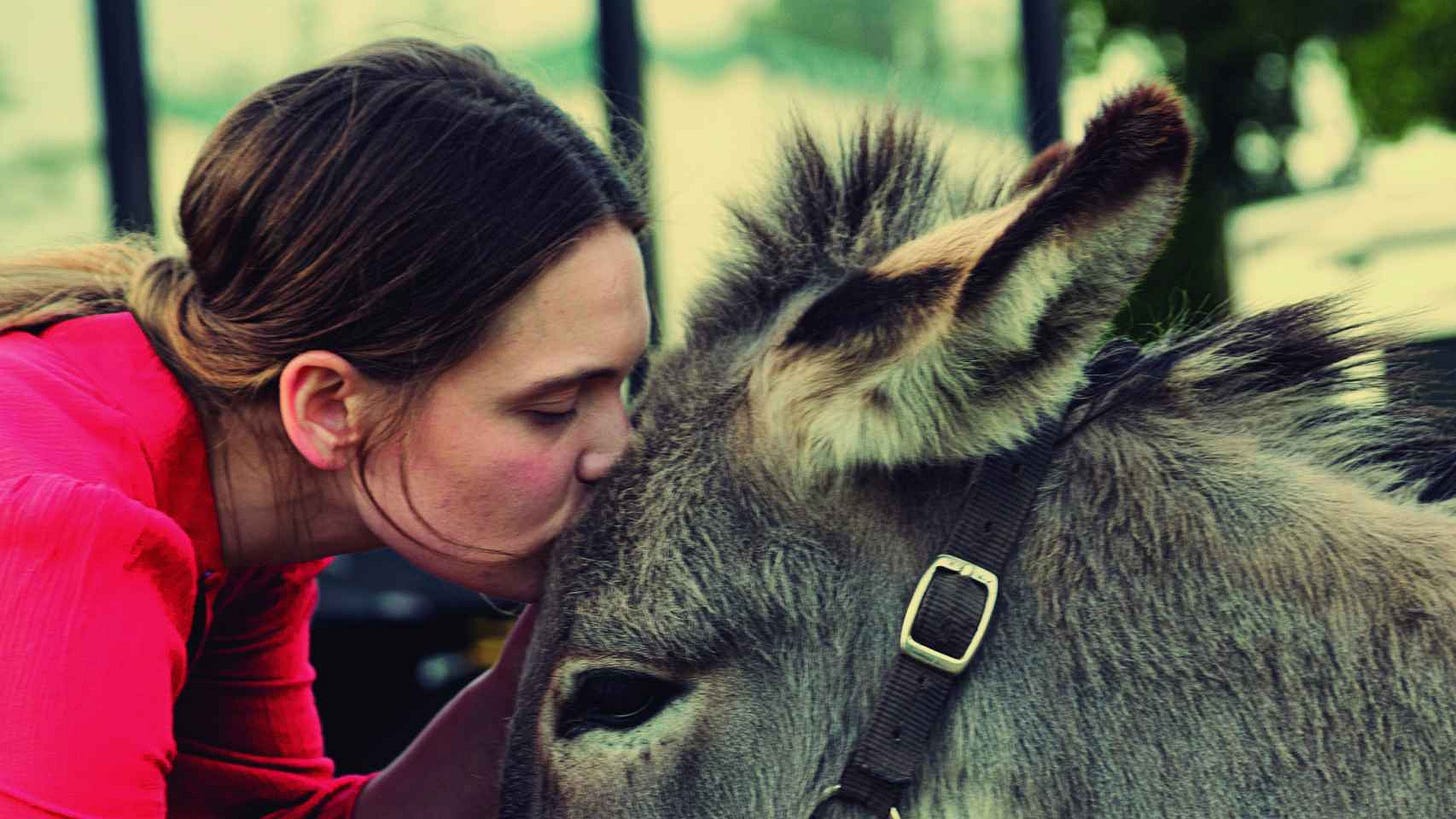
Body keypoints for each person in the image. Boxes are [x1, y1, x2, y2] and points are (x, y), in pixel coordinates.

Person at [0, 38, 650, 817]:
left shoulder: (236, 501)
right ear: (329, 407)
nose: (620, 453)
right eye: (551, 407)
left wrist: (533, 680)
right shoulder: (63, 537)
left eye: (622, 384)